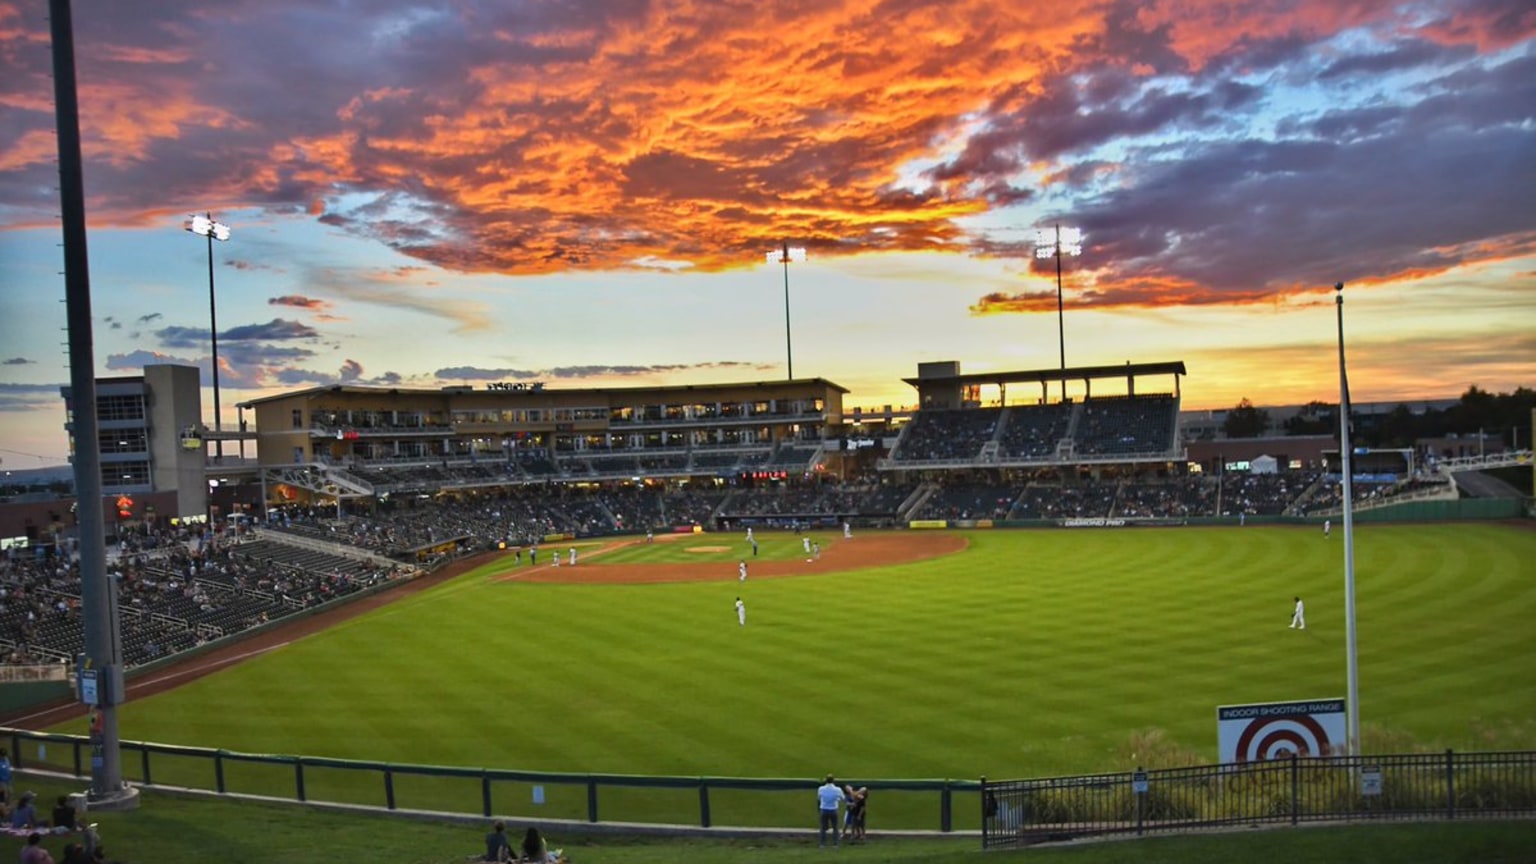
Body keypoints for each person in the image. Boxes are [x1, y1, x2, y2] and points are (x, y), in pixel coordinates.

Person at [816, 775, 846, 847]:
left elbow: (819, 799)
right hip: (833, 810)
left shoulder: (821, 789)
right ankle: (836, 844)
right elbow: (843, 798)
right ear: (833, 781)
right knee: (835, 827)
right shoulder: (837, 789)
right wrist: (837, 799)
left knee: (823, 828)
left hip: (824, 809)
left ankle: (822, 844)